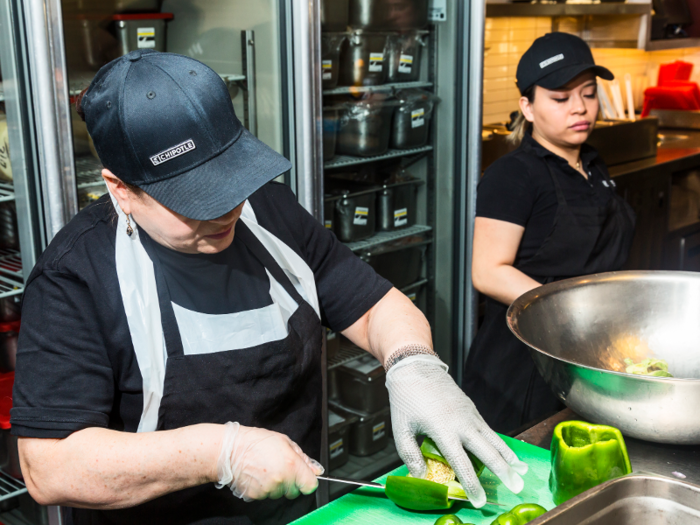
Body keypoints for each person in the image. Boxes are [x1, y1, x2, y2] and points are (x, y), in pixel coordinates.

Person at [11, 50, 527, 525]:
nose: (226, 210)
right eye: (194, 197)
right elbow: (50, 465)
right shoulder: (74, 279)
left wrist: (413, 364)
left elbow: (372, 307)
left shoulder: (270, 213)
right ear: (120, 189)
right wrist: (221, 454)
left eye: (230, 179)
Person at [463, 33, 636, 434]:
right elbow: (488, 271)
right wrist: (572, 313)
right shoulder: (515, 174)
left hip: (585, 351)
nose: (580, 108)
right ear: (528, 106)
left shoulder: (592, 163)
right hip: (524, 366)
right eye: (561, 98)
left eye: (589, 94)